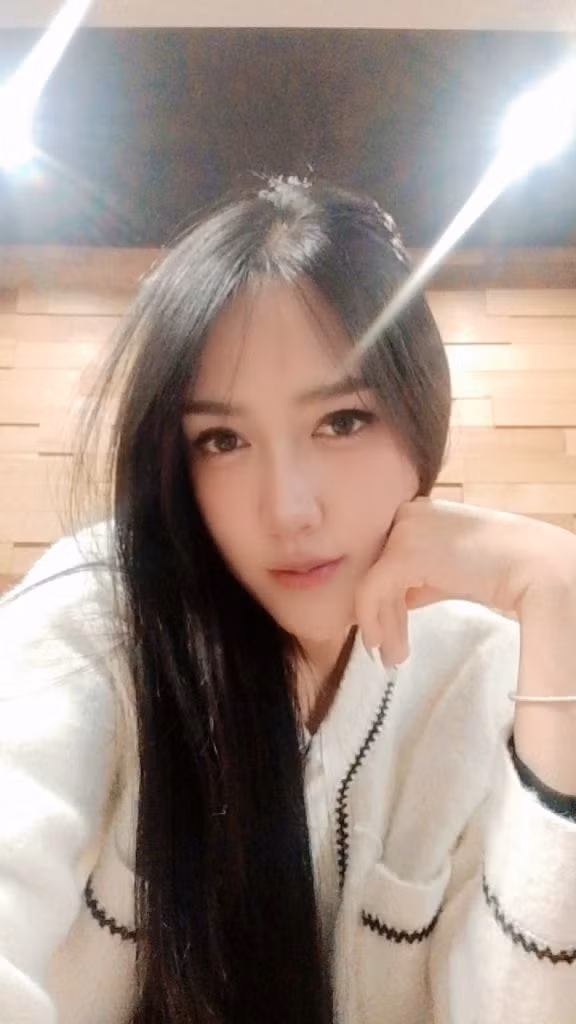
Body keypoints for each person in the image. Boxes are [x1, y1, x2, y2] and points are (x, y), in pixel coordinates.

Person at [1, 176, 576, 1024]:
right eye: (222, 439)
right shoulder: (100, 622)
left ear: (421, 415)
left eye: (341, 421)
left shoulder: (480, 666)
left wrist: (561, 602)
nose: (289, 510)